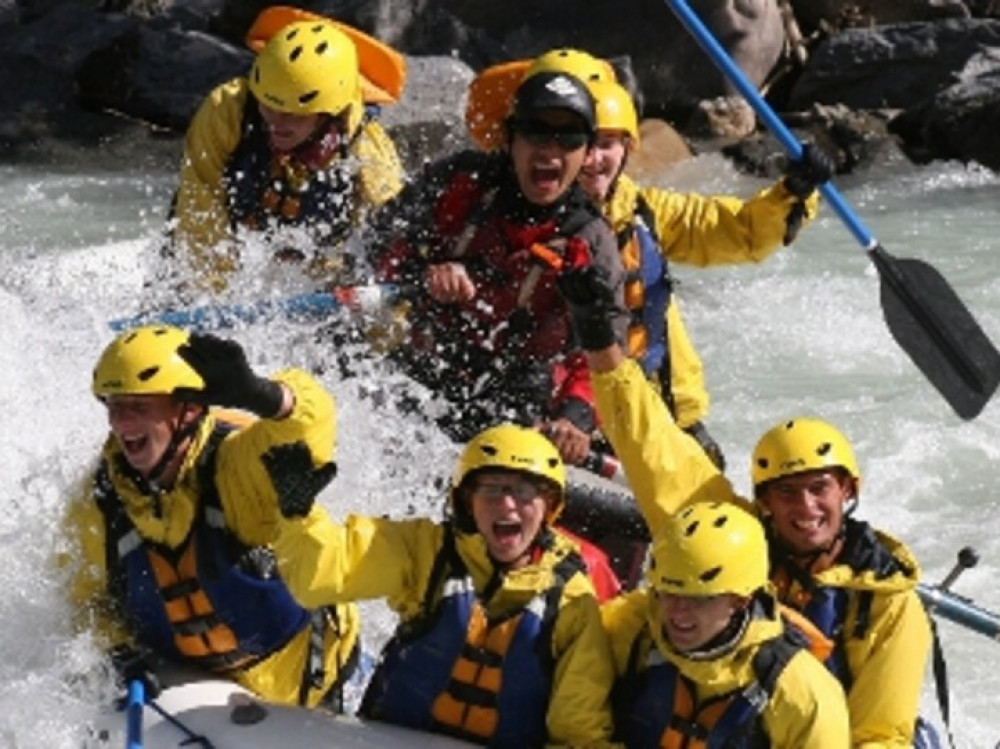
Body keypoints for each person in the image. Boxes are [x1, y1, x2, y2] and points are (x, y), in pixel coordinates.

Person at [556, 264, 941, 748]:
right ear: (763, 501)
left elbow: (880, 733)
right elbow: (652, 447)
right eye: (786, 492)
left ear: (847, 490)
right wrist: (601, 346)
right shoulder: (728, 537)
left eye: (819, 487)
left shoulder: (885, 603)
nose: (805, 507)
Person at [63, 325, 358, 709]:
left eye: (139, 407)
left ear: (187, 410)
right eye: (115, 407)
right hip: (197, 686)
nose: (122, 424)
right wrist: (115, 648)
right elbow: (87, 600)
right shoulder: (100, 499)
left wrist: (263, 395)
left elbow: (309, 433)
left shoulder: (236, 464)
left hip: (308, 675)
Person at [272, 423, 618, 747]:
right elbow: (320, 576)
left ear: (549, 507)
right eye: (491, 489)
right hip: (389, 741)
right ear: (467, 500)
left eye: (525, 491)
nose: (507, 504)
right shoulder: (426, 551)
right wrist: (300, 516)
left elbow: (579, 729)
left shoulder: (572, 598)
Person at [369, 53, 629, 466]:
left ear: (585, 152)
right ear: (509, 139)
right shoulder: (459, 182)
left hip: (519, 401)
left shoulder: (589, 243)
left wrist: (573, 420)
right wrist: (423, 277)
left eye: (569, 138)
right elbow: (378, 245)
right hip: (424, 367)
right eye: (536, 133)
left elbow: (603, 355)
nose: (551, 150)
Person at [578, 75, 834, 471]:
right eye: (580, 143)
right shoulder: (529, 230)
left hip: (670, 423)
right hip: (589, 435)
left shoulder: (644, 210)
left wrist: (792, 193)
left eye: (606, 144)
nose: (593, 159)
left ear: (627, 148)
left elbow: (742, 233)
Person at [167, 17, 404, 293]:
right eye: (268, 105)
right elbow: (199, 202)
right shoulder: (227, 110)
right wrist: (209, 296)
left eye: (293, 114)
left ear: (328, 114)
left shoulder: (365, 147)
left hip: (324, 272)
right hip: (226, 242)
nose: (275, 122)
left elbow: (394, 238)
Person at [603, 501, 850, 747]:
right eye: (667, 592)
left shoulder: (802, 692)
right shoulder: (632, 627)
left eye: (698, 599)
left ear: (741, 600)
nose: (677, 611)